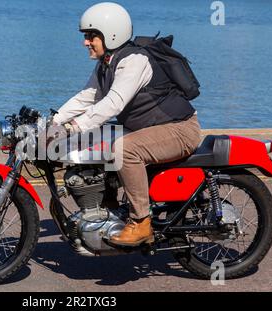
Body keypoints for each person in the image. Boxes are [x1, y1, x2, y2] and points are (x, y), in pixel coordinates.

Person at [51, 2, 201, 246]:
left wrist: (73, 127)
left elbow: (114, 103)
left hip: (179, 130)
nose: (85, 42)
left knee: (124, 149)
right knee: (98, 138)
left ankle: (141, 222)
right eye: (86, 36)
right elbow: (87, 96)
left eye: (91, 36)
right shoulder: (107, 64)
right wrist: (53, 121)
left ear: (111, 34)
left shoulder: (134, 61)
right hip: (151, 130)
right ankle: (107, 207)